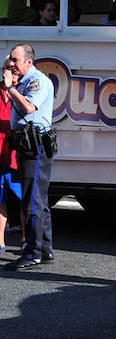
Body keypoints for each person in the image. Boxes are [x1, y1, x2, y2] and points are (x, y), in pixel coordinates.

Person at [3, 44, 54, 270]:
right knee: (38, 199)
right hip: (26, 145)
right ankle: (45, 248)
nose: (12, 64)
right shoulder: (23, 82)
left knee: (32, 200)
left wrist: (11, 89)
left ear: (29, 62)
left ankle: (33, 253)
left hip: (36, 146)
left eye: (15, 60)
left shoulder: (37, 81)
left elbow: (29, 108)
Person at [0, 57, 23, 254]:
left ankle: (26, 240)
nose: (11, 71)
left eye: (14, 68)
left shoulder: (24, 90)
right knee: (0, 199)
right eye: (8, 68)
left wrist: (11, 89)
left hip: (18, 153)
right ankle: (0, 242)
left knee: (23, 197)